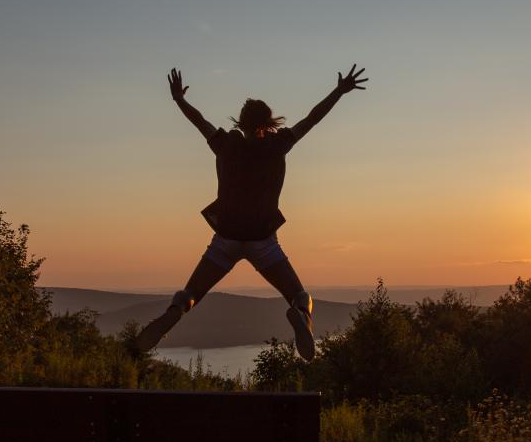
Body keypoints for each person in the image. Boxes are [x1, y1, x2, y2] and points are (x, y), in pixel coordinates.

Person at [136, 65, 368, 361]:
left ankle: (175, 310)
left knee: (191, 293)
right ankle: (302, 317)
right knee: (300, 296)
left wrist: (179, 100)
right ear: (267, 123)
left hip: (225, 239)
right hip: (264, 242)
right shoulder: (278, 145)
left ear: (241, 122)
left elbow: (200, 121)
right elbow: (312, 119)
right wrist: (338, 91)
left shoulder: (225, 145)